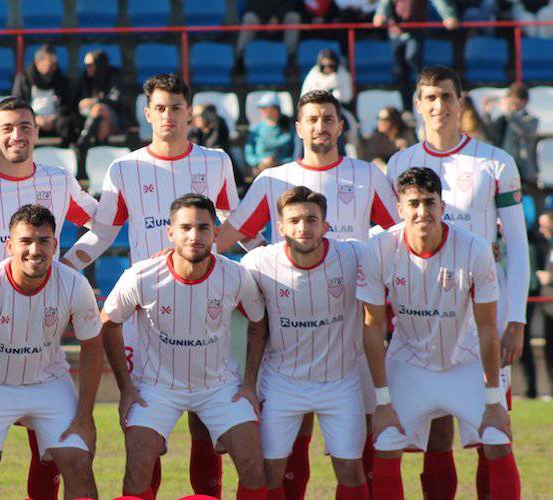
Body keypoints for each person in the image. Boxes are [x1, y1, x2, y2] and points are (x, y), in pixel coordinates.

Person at [62, 74, 241, 498]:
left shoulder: (215, 161)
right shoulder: (125, 168)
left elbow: (235, 226)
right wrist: (63, 270)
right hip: (146, 313)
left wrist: (272, 259)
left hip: (203, 305)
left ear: (189, 112)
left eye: (176, 107)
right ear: (147, 114)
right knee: (145, 428)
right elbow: (103, 233)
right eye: (160, 108)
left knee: (205, 421)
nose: (168, 116)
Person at [215, 89, 399, 500]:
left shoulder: (367, 175)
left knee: (363, 445)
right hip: (292, 332)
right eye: (312, 119)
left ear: (339, 125)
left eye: (328, 118)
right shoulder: (272, 179)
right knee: (283, 446)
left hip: (351, 333)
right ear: (298, 127)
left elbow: (398, 235)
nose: (321, 126)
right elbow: (231, 236)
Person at [0, 96, 98, 500]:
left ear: (37, 131)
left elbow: (104, 221)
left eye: (25, 126)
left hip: (43, 317)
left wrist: (73, 261)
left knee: (50, 450)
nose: (17, 135)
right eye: (7, 128)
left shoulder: (58, 180)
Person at [385, 65, 529, 499]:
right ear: (417, 104)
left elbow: (517, 246)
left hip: (482, 309)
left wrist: (517, 319)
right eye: (429, 98)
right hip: (422, 311)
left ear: (460, 102)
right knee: (436, 430)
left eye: (446, 97)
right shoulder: (399, 163)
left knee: (493, 427)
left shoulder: (495, 162)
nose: (438, 106)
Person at [358, 166, 521, 499]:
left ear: (442, 207)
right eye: (414, 203)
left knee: (497, 440)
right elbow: (373, 328)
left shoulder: (474, 248)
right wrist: (383, 400)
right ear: (400, 209)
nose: (422, 212)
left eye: (430, 202)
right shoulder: (378, 249)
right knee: (387, 443)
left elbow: (488, 327)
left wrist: (493, 398)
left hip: (464, 361)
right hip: (409, 363)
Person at [101, 194, 268, 500]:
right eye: (186, 227)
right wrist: (126, 388)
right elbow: (108, 323)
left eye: (204, 228)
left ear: (215, 233)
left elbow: (259, 323)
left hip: (220, 386)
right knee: (137, 468)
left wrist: (249, 383)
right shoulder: (141, 276)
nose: (194, 236)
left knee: (254, 467)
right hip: (156, 387)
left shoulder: (235, 274)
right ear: (170, 232)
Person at [240, 186, 371, 499]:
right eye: (294, 220)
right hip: (282, 383)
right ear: (280, 226)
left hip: (340, 382)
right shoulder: (258, 263)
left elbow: (400, 248)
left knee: (351, 470)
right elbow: (214, 274)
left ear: (326, 226)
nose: (303, 227)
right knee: (269, 471)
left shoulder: (354, 254)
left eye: (312, 219)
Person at [373, 0, 459, 111]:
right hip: (396, 32)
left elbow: (439, 2)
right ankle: (407, 110)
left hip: (415, 31)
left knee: (412, 59)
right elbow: (384, 4)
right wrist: (380, 15)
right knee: (400, 72)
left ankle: (426, 91)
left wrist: (448, 16)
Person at [12, 44, 78, 146]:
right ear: (38, 63)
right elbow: (17, 104)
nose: (53, 68)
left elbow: (66, 105)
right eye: (50, 65)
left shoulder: (61, 79)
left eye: (55, 64)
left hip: (55, 121)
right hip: (32, 120)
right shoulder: (23, 79)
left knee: (67, 125)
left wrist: (54, 117)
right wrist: (35, 119)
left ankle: (66, 153)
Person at [482, 82, 540, 192]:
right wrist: (487, 113)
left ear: (523, 101)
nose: (510, 102)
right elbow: (489, 134)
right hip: (503, 167)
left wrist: (508, 112)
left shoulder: (532, 120)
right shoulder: (503, 119)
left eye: (513, 99)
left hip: (523, 172)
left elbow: (523, 131)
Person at [232, 0, 302, 73]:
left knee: (294, 16)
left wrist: (277, 17)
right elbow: (252, 4)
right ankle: (240, 58)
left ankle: (290, 58)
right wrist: (269, 19)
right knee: (249, 18)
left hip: (281, 18)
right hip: (261, 17)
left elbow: (293, 3)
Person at [74, 49, 123, 150]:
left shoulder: (114, 76)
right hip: (91, 121)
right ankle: (100, 152)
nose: (87, 68)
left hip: (116, 120)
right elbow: (79, 104)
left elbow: (116, 100)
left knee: (99, 108)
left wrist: (95, 101)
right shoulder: (85, 78)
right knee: (102, 123)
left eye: (90, 64)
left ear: (99, 64)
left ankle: (83, 141)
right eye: (86, 65)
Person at [244, 94, 294, 176]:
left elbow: (296, 154)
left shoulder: (290, 129)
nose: (262, 110)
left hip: (286, 172)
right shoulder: (255, 129)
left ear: (276, 109)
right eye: (261, 108)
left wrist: (278, 163)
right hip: (261, 172)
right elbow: (249, 154)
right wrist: (262, 162)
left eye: (265, 107)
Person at [357, 106, 417, 171]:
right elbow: (373, 157)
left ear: (393, 121)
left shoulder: (406, 134)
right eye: (379, 118)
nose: (380, 122)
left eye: (384, 119)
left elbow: (413, 157)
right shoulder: (376, 136)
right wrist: (386, 170)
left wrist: (404, 149)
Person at [532, 211, 553, 400]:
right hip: (547, 309)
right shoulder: (547, 247)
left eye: (545, 225)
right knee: (548, 350)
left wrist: (550, 278)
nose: (541, 229)